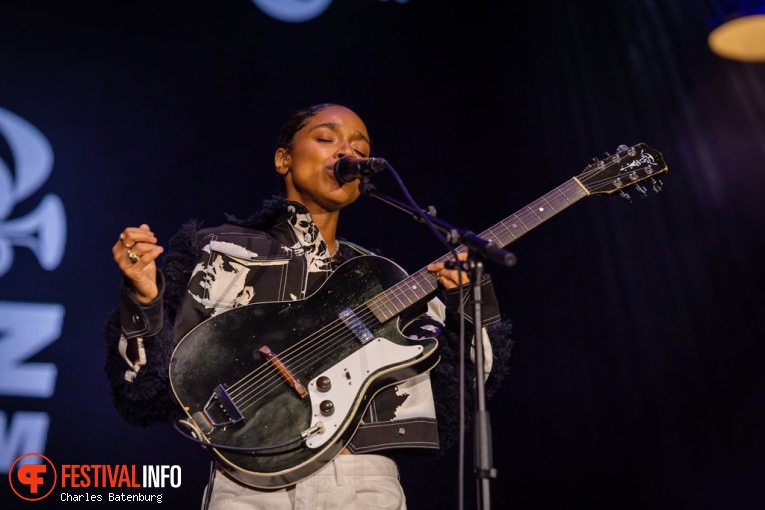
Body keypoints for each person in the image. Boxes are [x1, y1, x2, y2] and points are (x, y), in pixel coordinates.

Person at [103, 103, 513, 509]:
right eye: (325, 138)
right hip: (249, 485)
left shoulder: (382, 278)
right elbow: (146, 388)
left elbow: (462, 388)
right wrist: (144, 296)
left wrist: (468, 299)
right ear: (284, 159)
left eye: (359, 146)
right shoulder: (220, 251)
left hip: (366, 484)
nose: (345, 152)